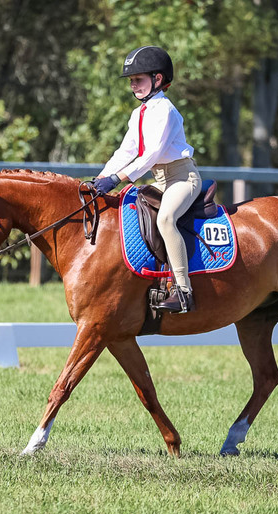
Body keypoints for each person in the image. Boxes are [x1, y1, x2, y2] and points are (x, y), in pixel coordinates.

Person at [92, 46, 202, 314]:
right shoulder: (138, 113)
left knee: (165, 219)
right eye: (131, 81)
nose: (134, 86)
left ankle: (183, 290)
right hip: (160, 179)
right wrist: (101, 178)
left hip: (182, 177)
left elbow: (150, 154)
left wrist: (119, 178)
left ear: (158, 79)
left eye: (138, 79)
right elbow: (126, 151)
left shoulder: (164, 110)